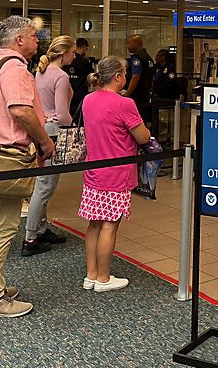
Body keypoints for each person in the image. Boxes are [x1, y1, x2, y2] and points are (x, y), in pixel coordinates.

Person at [0, 15, 55, 318]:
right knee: (2, 227)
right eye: (34, 36)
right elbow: (20, 110)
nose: (38, 41)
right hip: (8, 154)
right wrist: (45, 142)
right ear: (19, 39)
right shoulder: (16, 68)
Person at [80, 56, 151, 292]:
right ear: (118, 77)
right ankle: (103, 277)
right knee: (110, 224)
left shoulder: (88, 100)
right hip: (117, 172)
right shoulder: (124, 104)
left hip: (93, 170)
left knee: (94, 224)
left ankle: (91, 274)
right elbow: (142, 136)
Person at [22, 35, 76, 257]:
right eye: (73, 51)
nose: (75, 55)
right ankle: (30, 237)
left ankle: (41, 229)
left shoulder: (40, 72)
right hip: (54, 131)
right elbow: (62, 113)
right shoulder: (61, 76)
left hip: (41, 127)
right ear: (64, 54)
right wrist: (75, 128)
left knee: (41, 183)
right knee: (45, 188)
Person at [122, 34, 154, 123]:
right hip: (145, 94)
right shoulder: (148, 57)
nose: (127, 46)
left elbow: (135, 77)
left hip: (137, 95)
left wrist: (127, 93)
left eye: (129, 43)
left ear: (137, 43)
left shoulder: (137, 58)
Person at [64, 38, 94, 114]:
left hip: (66, 95)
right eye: (86, 49)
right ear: (83, 48)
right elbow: (91, 77)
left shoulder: (65, 61)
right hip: (80, 96)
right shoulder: (84, 61)